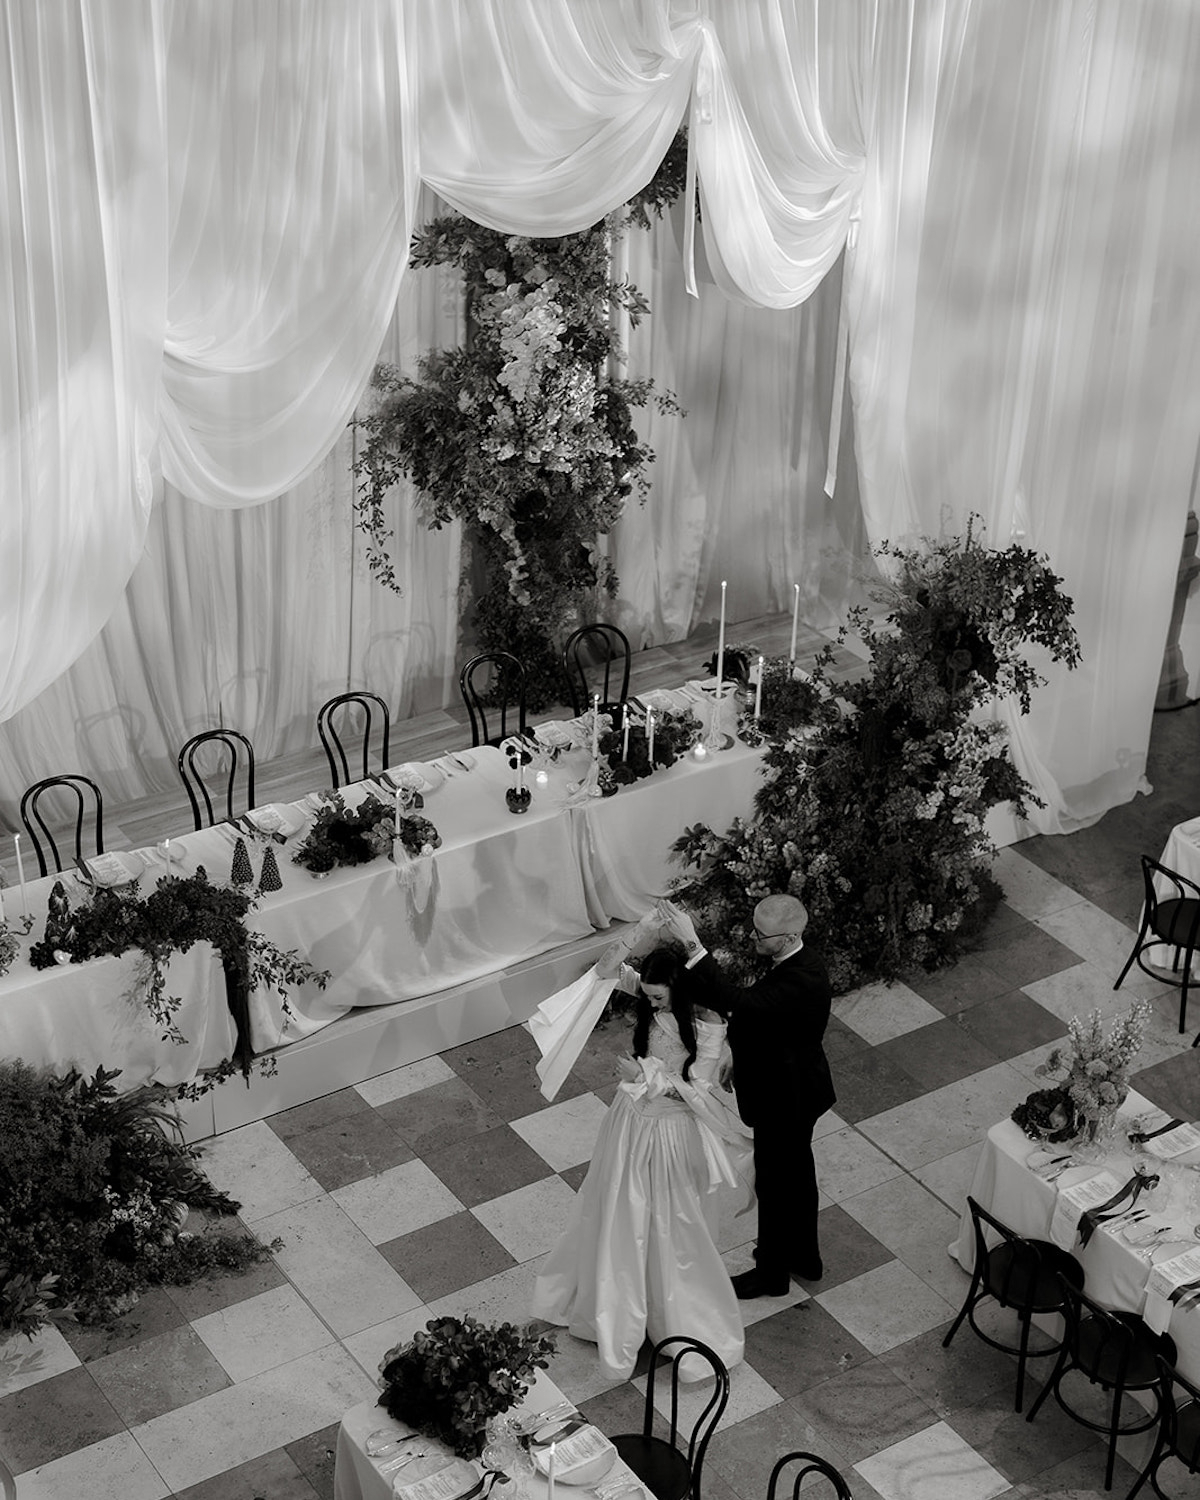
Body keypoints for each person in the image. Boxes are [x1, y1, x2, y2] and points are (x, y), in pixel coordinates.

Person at [529, 941, 751, 1382]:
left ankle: (670, 1314)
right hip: (629, 1124)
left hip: (669, 1134)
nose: (651, 1003)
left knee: (671, 1222)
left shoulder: (707, 1023)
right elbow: (606, 968)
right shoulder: (651, 997)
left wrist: (646, 1078)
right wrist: (642, 931)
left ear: (678, 987)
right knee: (615, 1210)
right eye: (647, 995)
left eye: (658, 997)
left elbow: (698, 1091)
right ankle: (611, 1303)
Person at [659, 893, 835, 1299]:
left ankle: (772, 1275)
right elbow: (768, 1019)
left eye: (761, 934)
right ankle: (804, 1257)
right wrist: (737, 1053)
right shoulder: (795, 964)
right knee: (797, 1177)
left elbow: (741, 1003)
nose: (753, 938)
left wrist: (692, 943)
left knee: (775, 1184)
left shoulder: (801, 978)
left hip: (787, 1098)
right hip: (796, 1086)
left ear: (789, 938)